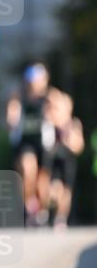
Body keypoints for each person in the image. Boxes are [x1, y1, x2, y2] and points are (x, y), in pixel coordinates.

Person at [6, 63, 55, 226]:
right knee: (28, 170)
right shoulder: (19, 96)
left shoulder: (50, 97)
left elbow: (63, 115)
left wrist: (53, 114)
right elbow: (11, 114)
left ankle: (42, 211)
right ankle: (28, 207)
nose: (34, 84)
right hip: (25, 142)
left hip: (44, 143)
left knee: (42, 182)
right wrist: (11, 117)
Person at [45, 88, 84, 230]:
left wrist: (71, 142)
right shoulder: (51, 124)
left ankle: (61, 218)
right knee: (54, 190)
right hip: (55, 160)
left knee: (66, 191)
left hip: (68, 160)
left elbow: (79, 146)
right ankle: (50, 211)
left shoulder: (73, 124)